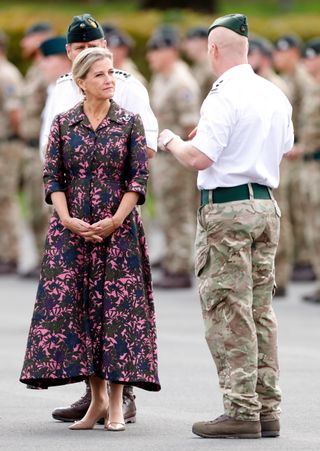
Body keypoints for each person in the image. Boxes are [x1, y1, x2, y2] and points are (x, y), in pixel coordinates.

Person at [158, 14, 294, 438]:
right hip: (264, 205)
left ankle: (240, 409)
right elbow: (283, 147)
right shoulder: (274, 93)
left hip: (228, 209)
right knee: (259, 310)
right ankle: (266, 407)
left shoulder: (221, 93)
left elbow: (199, 158)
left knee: (227, 309)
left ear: (214, 50)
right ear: (247, 49)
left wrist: (169, 140)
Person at [20, 47, 160, 432]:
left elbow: (138, 177)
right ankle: (96, 399)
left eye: (112, 72)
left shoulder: (130, 122)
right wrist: (66, 218)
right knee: (80, 312)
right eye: (99, 74)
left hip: (119, 232)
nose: (109, 79)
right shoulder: (64, 124)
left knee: (117, 315)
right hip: (72, 231)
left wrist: (115, 220)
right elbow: (53, 176)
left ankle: (117, 402)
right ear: (81, 83)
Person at [146, 26, 200, 289]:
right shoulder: (160, 79)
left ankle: (180, 265)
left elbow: (191, 126)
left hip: (176, 158)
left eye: (156, 50)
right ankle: (171, 258)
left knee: (179, 211)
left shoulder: (182, 82)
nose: (151, 56)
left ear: (170, 51)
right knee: (166, 211)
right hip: (162, 159)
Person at [274, 34, 317, 283]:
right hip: (302, 154)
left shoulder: (304, 81)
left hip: (308, 155)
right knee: (303, 211)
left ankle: (304, 260)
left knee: (304, 213)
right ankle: (306, 259)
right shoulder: (301, 80)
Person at [19, 22, 54, 278]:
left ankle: (49, 260)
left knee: (44, 207)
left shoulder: (48, 73)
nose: (24, 42)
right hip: (29, 146)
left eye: (30, 36)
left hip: (41, 148)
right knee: (32, 205)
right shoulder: (35, 70)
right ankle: (43, 257)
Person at [297, 39, 320, 304]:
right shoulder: (313, 87)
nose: (309, 61)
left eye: (313, 57)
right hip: (309, 163)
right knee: (313, 225)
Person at [0, 30, 23, 275]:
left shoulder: (6, 74)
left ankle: (11, 252)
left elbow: (15, 113)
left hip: (6, 145)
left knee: (5, 198)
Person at [184, 26, 216, 102]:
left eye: (191, 40)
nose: (187, 45)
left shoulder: (212, 68)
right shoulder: (195, 67)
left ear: (204, 41)